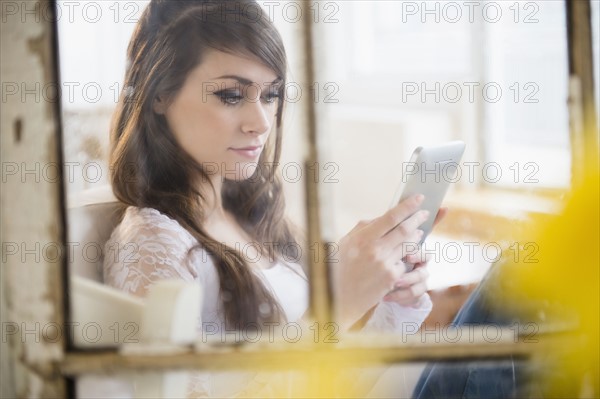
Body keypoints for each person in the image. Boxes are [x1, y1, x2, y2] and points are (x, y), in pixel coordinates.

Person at [103, 0, 439, 396]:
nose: (261, 123)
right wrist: (336, 309)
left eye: (271, 94)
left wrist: (391, 303)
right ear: (159, 94)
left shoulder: (257, 221)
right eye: (231, 95)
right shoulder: (154, 242)